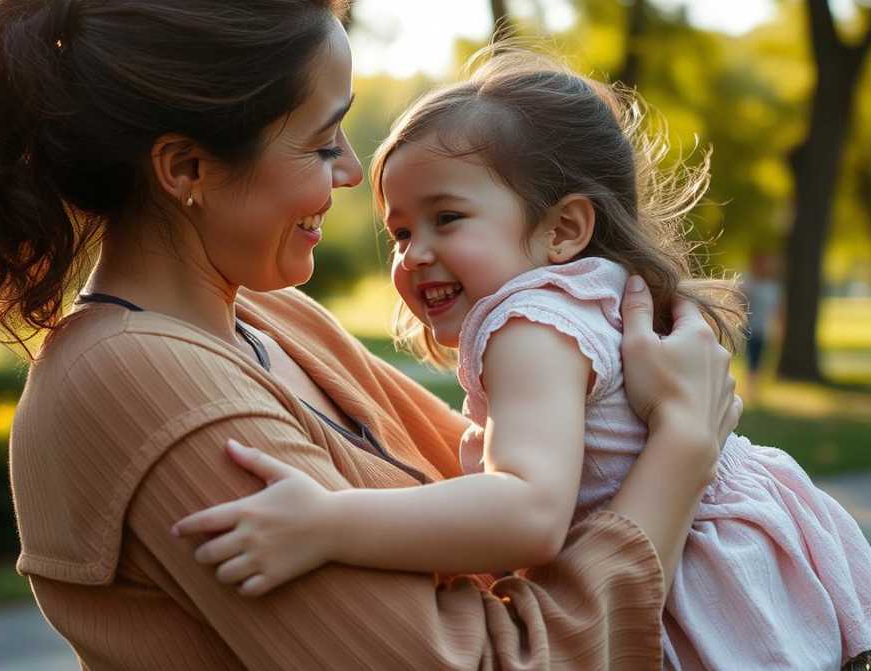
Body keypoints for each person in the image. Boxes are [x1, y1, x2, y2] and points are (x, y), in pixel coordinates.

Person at [0, 1, 741, 668]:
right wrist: (680, 450)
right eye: (321, 140)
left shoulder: (273, 320)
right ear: (186, 169)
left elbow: (518, 497)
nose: (352, 171)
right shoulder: (140, 387)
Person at [175, 51, 871, 670]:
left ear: (563, 228)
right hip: (741, 557)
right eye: (401, 231)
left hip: (701, 584)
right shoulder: (586, 296)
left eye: (448, 218)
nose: (415, 254)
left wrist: (328, 523)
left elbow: (528, 512)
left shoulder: (528, 323)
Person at [742, 251, 782, 405]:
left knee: (759, 360)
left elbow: (777, 311)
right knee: (751, 359)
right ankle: (751, 390)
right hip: (751, 328)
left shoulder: (772, 288)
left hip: (764, 330)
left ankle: (755, 390)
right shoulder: (750, 284)